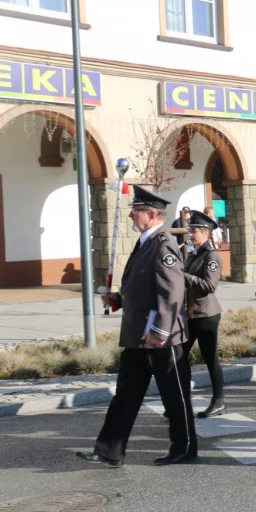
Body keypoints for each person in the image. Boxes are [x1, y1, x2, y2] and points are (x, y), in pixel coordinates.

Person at [77, 186, 196, 468]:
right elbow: (144, 287)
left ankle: (186, 448)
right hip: (137, 335)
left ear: (152, 214)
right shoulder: (146, 241)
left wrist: (161, 332)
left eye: (137, 210)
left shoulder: (163, 243)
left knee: (175, 397)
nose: (131, 214)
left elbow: (172, 292)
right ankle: (110, 451)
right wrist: (118, 299)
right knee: (126, 395)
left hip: (160, 337)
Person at [181, 210, 225, 418]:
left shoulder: (212, 255)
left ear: (206, 233)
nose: (191, 234)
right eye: (190, 230)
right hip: (189, 314)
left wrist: (183, 276)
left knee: (210, 359)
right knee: (179, 357)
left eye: (195, 231)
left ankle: (218, 401)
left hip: (206, 315)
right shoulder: (193, 254)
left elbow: (209, 285)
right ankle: (182, 401)